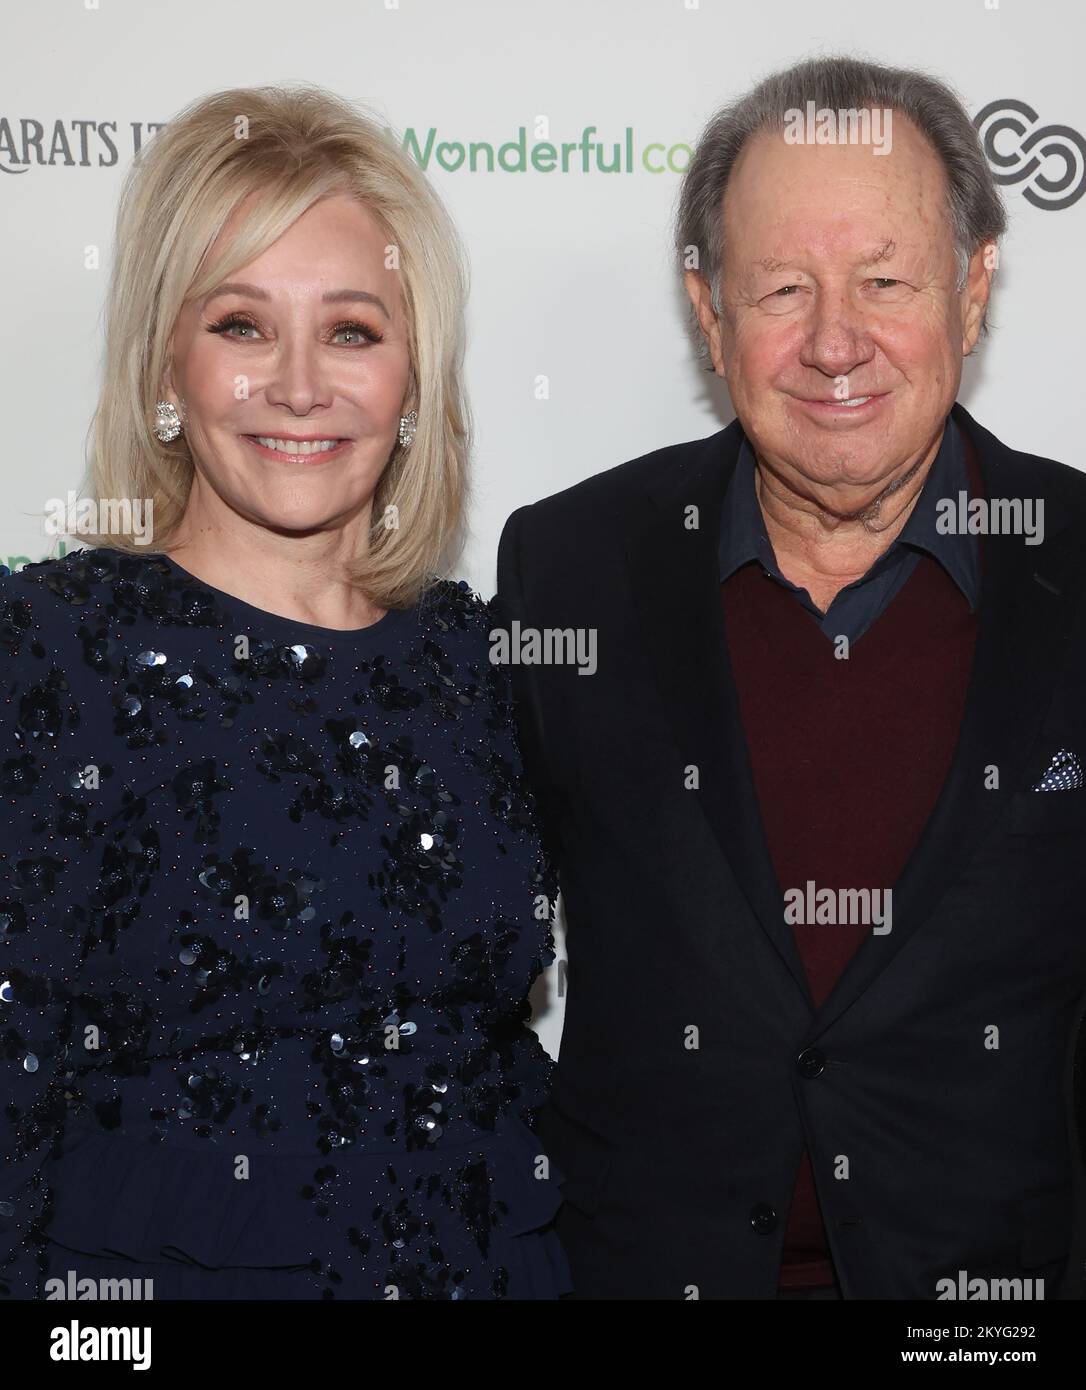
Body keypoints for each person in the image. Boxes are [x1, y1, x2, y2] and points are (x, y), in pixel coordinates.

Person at [497, 54, 1086, 1299]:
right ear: (708, 312)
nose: (834, 341)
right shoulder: (568, 566)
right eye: (780, 288)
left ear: (973, 292)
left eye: (885, 280)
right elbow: (474, 949)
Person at [0, 83, 569, 1301]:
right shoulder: (51, 650)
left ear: (414, 376)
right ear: (166, 359)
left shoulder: (481, 663)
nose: (301, 385)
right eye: (244, 326)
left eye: (353, 330)